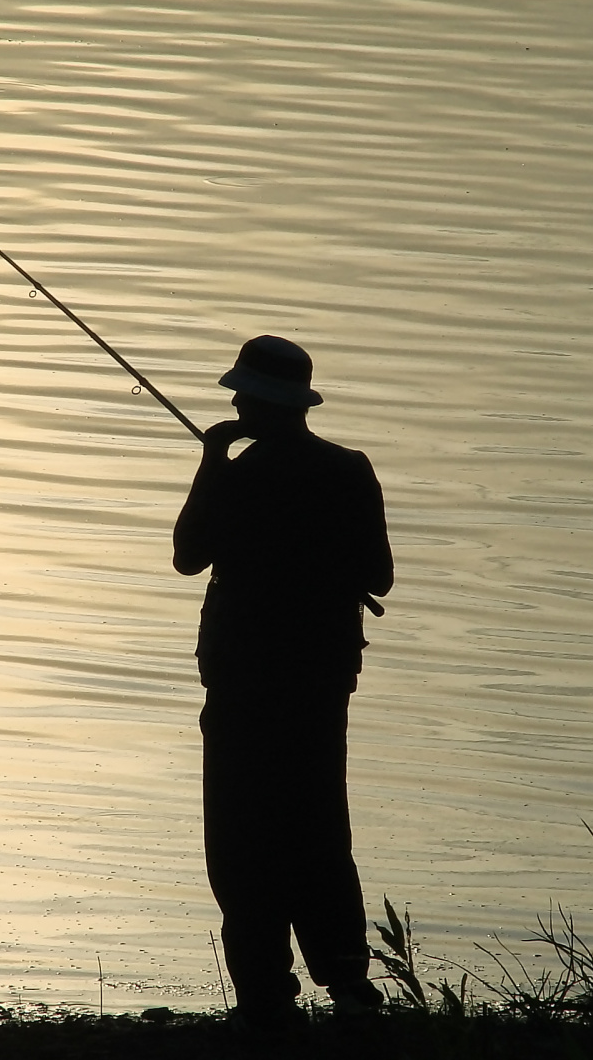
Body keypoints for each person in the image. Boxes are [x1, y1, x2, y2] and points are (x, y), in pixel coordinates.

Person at [173, 334, 394, 1029]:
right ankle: (349, 984)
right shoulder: (350, 470)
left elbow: (186, 556)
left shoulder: (238, 476)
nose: (234, 401)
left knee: (242, 838)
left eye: (242, 392)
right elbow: (380, 577)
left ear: (265, 403)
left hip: (243, 682)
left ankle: (266, 994)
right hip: (320, 685)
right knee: (319, 828)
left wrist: (210, 461)